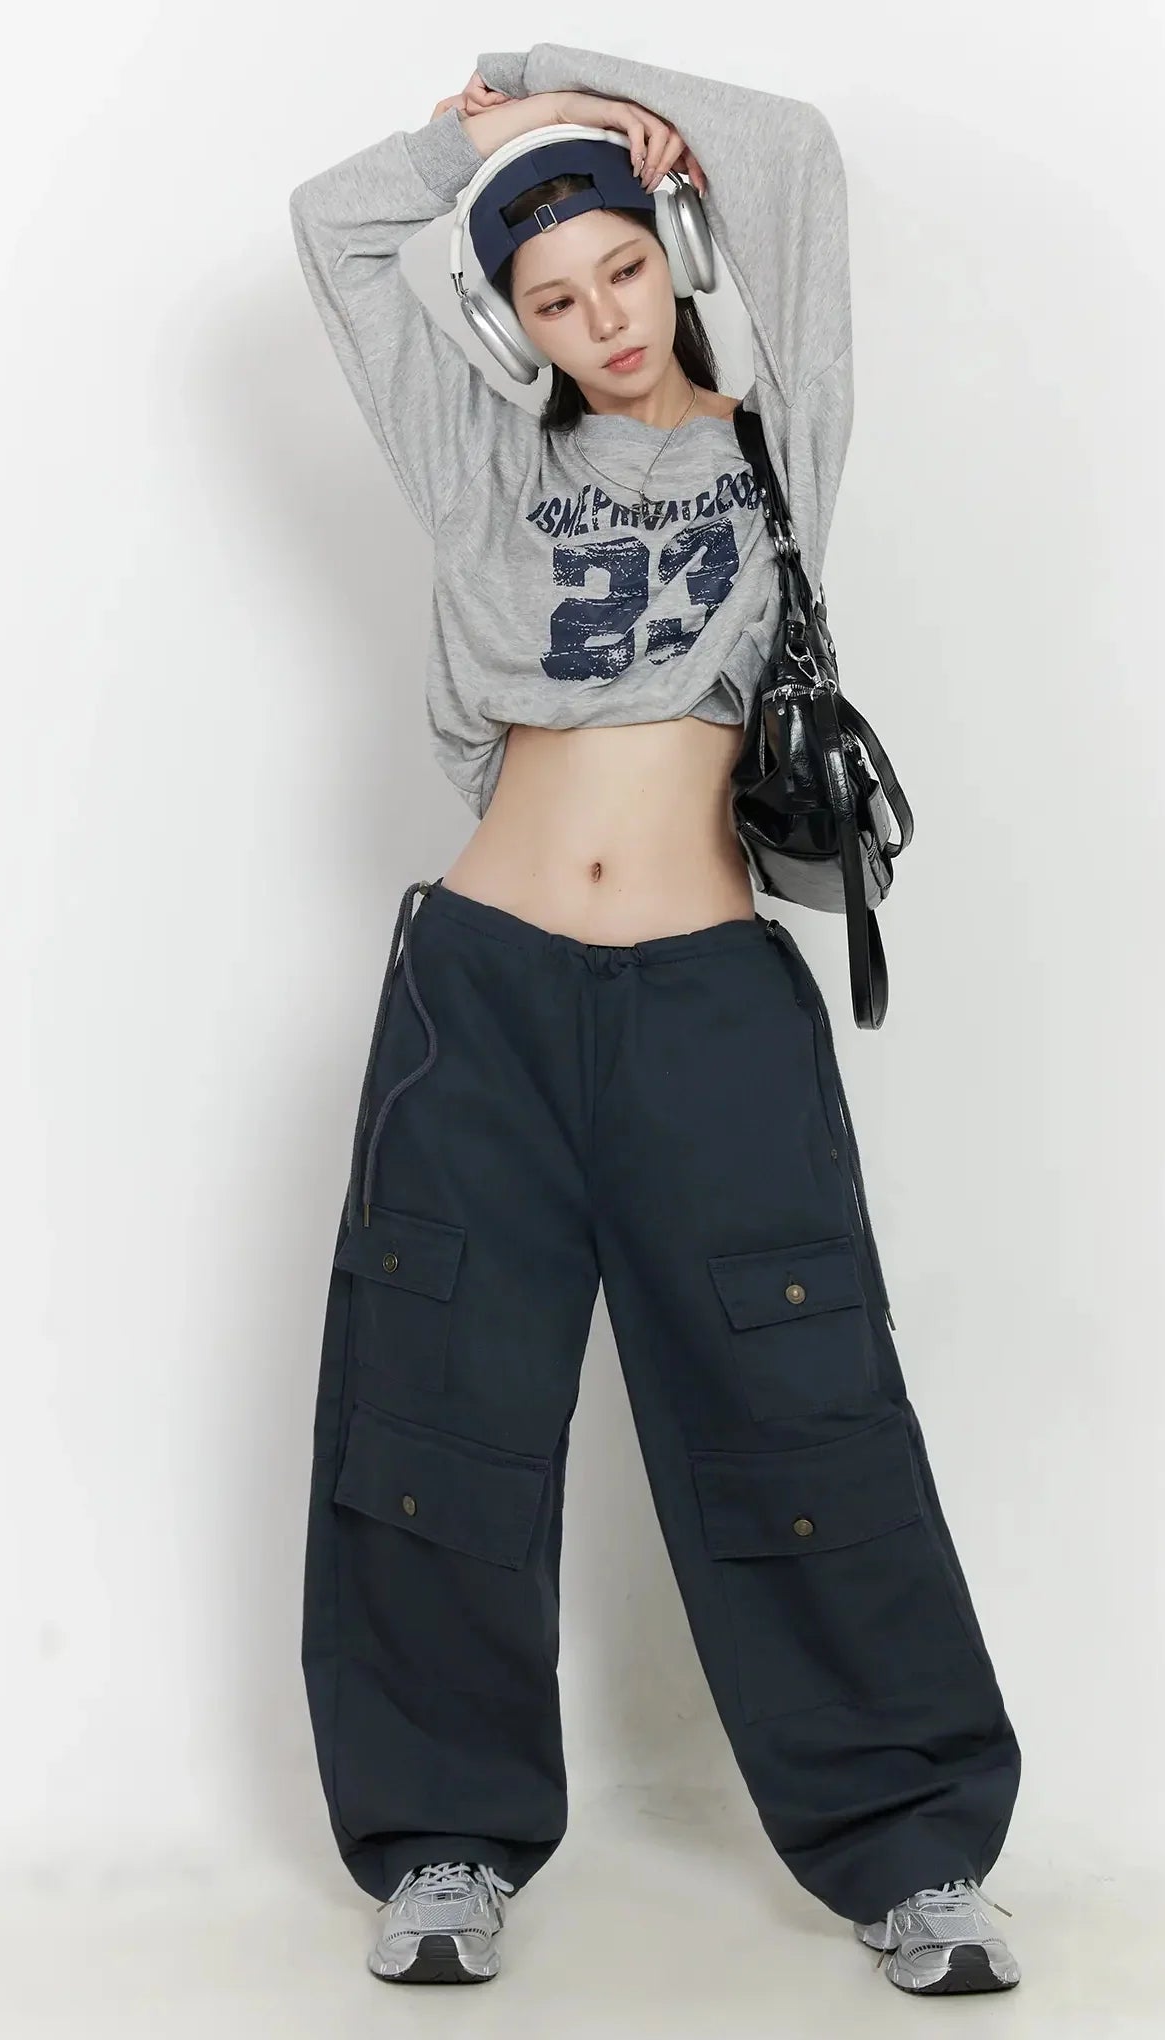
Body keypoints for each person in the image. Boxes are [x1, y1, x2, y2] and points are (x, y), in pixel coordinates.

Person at [287, 42, 1022, 1997]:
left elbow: (797, 154)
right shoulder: (485, 465)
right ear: (506, 324)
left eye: (620, 268)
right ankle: (442, 1842)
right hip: (483, 995)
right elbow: (335, 224)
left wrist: (570, 84)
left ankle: (913, 1854)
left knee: (805, 1400)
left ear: (673, 252)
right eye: (550, 299)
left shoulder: (778, 441)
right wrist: (489, 135)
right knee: (435, 1401)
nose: (601, 321)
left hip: (708, 1001)